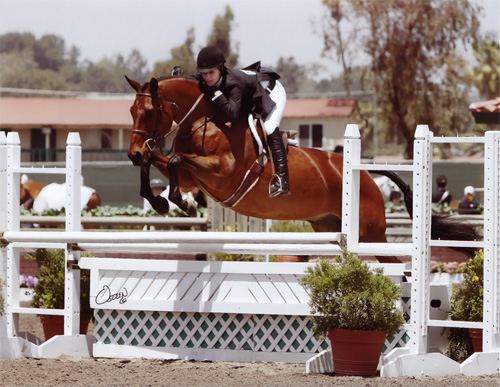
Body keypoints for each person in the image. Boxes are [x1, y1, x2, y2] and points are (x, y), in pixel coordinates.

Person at [196, 45, 289, 197]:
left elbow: (232, 114)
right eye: (203, 74)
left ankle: (282, 179)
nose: (207, 78)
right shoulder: (208, 78)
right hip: (250, 99)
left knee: (269, 126)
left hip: (271, 92)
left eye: (211, 73)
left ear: (220, 68)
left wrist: (217, 94)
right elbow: (193, 80)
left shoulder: (234, 83)